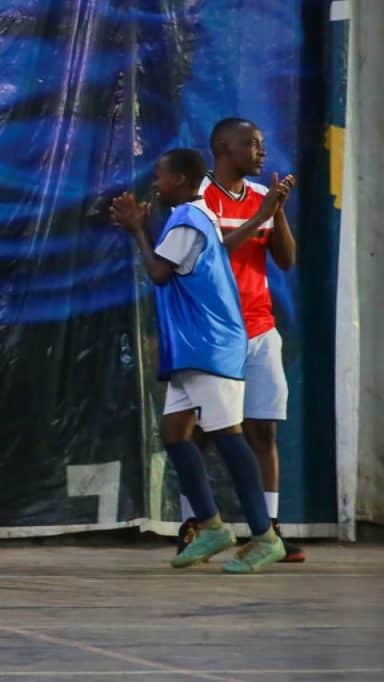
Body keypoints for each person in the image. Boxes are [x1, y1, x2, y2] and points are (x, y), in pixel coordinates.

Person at [110, 148, 291, 573]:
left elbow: (159, 273)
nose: (155, 184)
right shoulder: (192, 216)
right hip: (192, 346)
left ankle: (265, 537)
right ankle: (211, 526)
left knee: (229, 436)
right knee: (175, 435)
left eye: (160, 176)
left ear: (179, 180)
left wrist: (137, 230)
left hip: (210, 344)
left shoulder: (189, 218)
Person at [180, 117, 303, 562]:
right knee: (200, 432)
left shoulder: (260, 197)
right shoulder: (198, 198)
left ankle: (268, 528)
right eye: (251, 143)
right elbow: (206, 257)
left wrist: (277, 211)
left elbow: (286, 260)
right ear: (222, 147)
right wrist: (260, 216)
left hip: (259, 328)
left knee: (262, 430)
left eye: (262, 143)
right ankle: (195, 525)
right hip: (212, 334)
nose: (261, 151)